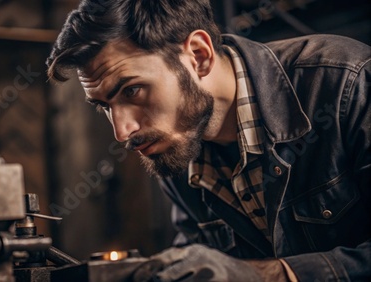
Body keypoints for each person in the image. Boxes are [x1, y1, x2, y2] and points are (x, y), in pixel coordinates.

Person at [46, 0, 371, 281]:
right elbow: (200, 256)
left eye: (132, 90)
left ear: (199, 56)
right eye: (105, 106)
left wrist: (264, 276)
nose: (123, 131)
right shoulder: (177, 148)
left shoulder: (345, 82)